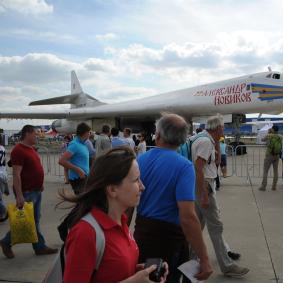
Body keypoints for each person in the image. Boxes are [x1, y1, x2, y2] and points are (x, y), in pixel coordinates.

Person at [60, 147, 168, 283]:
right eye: (136, 180)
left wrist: (141, 273)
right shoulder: (85, 233)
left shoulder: (121, 221)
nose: (142, 186)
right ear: (112, 189)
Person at [134, 114, 212, 283]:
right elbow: (188, 217)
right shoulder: (184, 166)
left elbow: (126, 207)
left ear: (158, 134)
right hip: (169, 241)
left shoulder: (140, 160)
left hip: (142, 235)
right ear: (183, 139)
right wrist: (204, 258)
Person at [192, 115, 249, 278]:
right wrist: (204, 193)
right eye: (223, 127)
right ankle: (227, 265)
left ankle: (189, 259)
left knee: (197, 226)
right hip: (205, 186)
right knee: (216, 227)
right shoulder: (204, 142)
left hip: (198, 186)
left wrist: (216, 141)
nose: (224, 129)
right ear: (216, 128)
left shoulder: (204, 139)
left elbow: (215, 162)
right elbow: (198, 168)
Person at [0, 125, 58, 258]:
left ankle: (38, 246)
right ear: (27, 134)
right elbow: (16, 174)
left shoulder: (30, 149)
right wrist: (19, 195)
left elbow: (33, 168)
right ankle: (7, 242)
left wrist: (40, 184)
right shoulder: (18, 150)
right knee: (27, 220)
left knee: (33, 219)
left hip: (36, 190)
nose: (37, 136)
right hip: (27, 191)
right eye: (35, 134)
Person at [59, 123, 91, 195]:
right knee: (83, 202)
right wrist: (78, 170)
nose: (90, 134)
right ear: (85, 133)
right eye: (89, 132)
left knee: (84, 202)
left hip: (83, 177)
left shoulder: (83, 144)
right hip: (78, 178)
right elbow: (62, 161)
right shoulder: (75, 144)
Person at [259, 125, 282, 191]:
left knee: (265, 171)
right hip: (277, 155)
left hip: (269, 155)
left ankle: (263, 186)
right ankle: (274, 186)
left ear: (272, 129)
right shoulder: (280, 136)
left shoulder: (269, 135)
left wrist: (268, 132)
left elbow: (262, 139)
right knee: (276, 171)